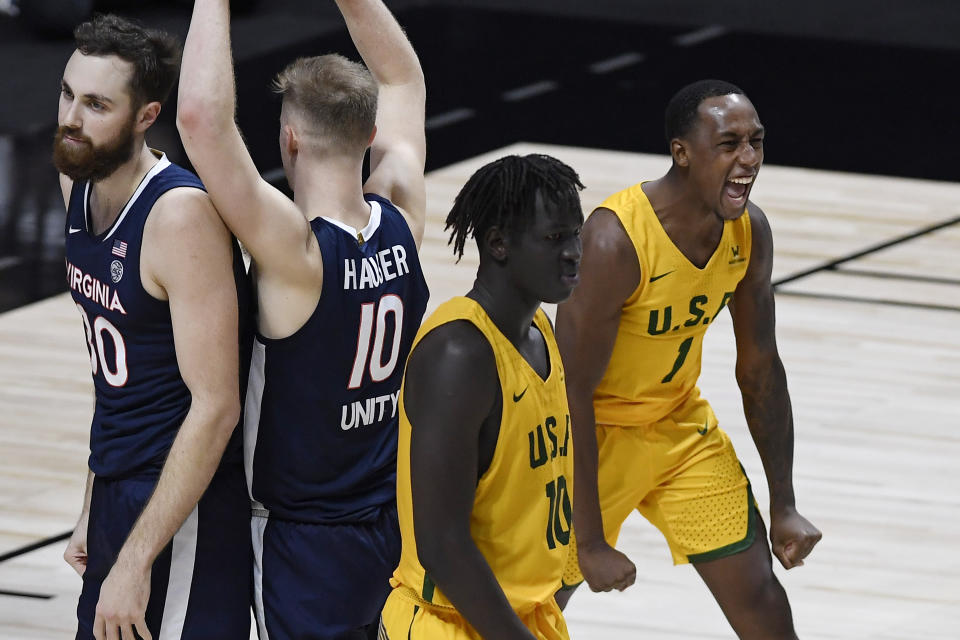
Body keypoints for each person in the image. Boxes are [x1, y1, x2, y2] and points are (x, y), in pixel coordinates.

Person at [176, 0, 428, 637]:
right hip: (391, 520)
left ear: (288, 139)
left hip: (304, 539)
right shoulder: (400, 212)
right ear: (367, 135)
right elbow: (402, 79)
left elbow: (202, 120)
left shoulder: (298, 253)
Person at [554, 79, 822, 638]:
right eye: (728, 144)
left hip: (678, 430)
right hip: (592, 438)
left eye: (756, 142)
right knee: (532, 605)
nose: (748, 159)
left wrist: (785, 502)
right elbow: (569, 390)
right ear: (682, 152)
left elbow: (760, 370)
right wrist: (589, 540)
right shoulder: (614, 239)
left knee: (761, 599)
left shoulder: (750, 231)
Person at [55, 13, 253, 640]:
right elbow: (115, 375)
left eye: (95, 104)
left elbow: (217, 406)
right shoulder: (78, 182)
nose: (71, 119)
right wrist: (94, 498)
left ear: (145, 117)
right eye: (67, 94)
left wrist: (137, 558)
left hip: (183, 507)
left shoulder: (179, 217)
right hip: (121, 489)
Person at [380, 154, 583, 640]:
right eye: (555, 238)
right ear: (498, 244)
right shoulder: (460, 353)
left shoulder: (539, 328)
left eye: (575, 233)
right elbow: (441, 544)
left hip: (517, 616)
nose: (575, 251)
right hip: (446, 625)